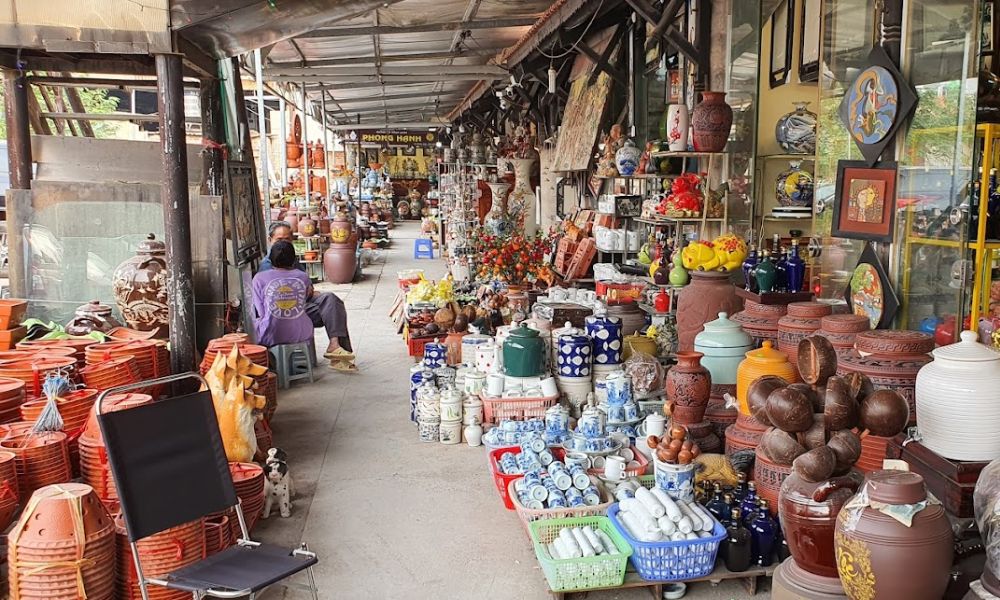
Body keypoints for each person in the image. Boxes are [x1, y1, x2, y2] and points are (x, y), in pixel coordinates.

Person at [260, 222, 357, 372]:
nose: (284, 243)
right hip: (285, 312)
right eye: (279, 239)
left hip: (303, 305)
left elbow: (307, 286)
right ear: (270, 240)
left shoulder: (291, 258)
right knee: (329, 311)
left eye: (287, 239)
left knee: (331, 301)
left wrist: (306, 290)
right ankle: (338, 354)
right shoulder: (267, 266)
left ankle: (335, 346)